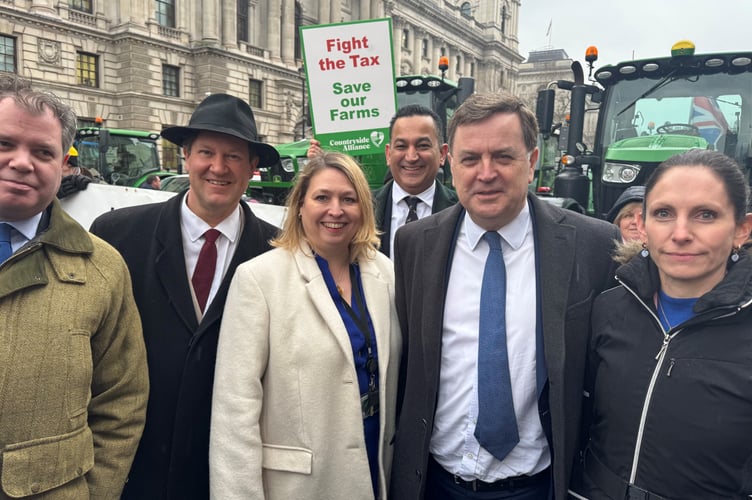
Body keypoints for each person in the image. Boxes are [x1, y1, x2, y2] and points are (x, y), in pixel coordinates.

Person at [389, 92, 619, 500]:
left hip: (540, 485)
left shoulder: (592, 245)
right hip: (436, 482)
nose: (486, 172)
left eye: (504, 156)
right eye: (471, 158)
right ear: (449, 161)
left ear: (531, 162)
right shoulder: (414, 244)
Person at [90, 93, 280, 499]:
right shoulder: (116, 235)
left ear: (252, 168)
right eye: (206, 152)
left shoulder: (279, 252)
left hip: (223, 467)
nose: (218, 167)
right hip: (133, 466)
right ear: (186, 157)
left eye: (233, 156)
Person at [210, 152, 401, 500]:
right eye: (322, 197)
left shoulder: (385, 274)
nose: (336, 210)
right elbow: (234, 411)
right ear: (299, 205)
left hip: (376, 470)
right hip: (299, 485)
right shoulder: (260, 279)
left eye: (349, 199)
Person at [0, 74, 148, 498]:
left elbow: (122, 402)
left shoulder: (102, 267)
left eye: (42, 151)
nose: (22, 162)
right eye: (5, 143)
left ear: (64, 166)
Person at [574, 150, 752, 499]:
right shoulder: (608, 309)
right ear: (642, 225)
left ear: (741, 229)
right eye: (664, 213)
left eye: (706, 214)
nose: (681, 233)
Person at [308, 104, 458, 257]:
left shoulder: (462, 210)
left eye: (423, 146)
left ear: (442, 154)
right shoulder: (360, 208)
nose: (411, 157)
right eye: (401, 146)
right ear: (388, 154)